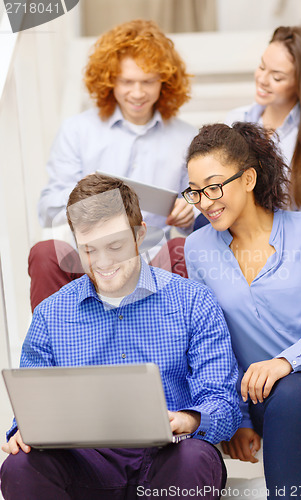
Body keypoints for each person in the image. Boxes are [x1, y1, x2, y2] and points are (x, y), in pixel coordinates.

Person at [1, 173, 241, 500]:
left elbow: (225, 405)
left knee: (194, 459)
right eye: (89, 250)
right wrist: (21, 433)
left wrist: (188, 419)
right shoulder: (50, 315)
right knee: (20, 467)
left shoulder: (193, 302)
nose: (103, 263)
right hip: (87, 465)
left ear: (139, 234)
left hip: (167, 459)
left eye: (115, 246)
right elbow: (29, 412)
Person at [183, 122, 301, 500]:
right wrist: (238, 418)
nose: (205, 202)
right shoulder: (198, 249)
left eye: (214, 186)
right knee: (290, 391)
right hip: (272, 395)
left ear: (248, 178)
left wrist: (284, 361)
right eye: (195, 192)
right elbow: (214, 340)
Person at [29, 18, 197, 311]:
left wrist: (189, 212)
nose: (137, 93)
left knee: (182, 249)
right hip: (90, 258)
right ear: (109, 80)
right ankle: (54, 350)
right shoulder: (78, 130)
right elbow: (47, 209)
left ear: (164, 82)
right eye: (126, 81)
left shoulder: (185, 138)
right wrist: (85, 195)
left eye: (147, 81)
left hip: (152, 261)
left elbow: (203, 207)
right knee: (44, 253)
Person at [192, 26, 301, 234]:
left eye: (277, 77)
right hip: (234, 240)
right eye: (262, 67)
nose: (262, 79)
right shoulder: (237, 119)